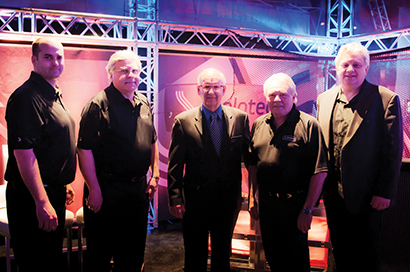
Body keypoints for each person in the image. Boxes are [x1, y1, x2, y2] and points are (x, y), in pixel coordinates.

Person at [316, 42, 403, 272]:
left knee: (366, 256)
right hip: (334, 198)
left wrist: (384, 192)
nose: (350, 70)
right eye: (345, 64)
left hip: (368, 198)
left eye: (356, 64)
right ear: (336, 68)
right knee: (341, 253)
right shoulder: (323, 100)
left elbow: (392, 152)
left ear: (367, 67)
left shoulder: (386, 99)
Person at [77, 50, 159, 272]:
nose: (131, 75)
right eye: (124, 71)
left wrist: (155, 174)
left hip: (138, 191)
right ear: (110, 74)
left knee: (132, 254)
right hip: (106, 190)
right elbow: (84, 150)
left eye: (135, 70)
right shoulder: (97, 105)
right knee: (100, 256)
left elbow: (152, 140)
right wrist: (94, 189)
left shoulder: (143, 102)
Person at [4, 37, 77, 272]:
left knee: (49, 262)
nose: (55, 62)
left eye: (59, 57)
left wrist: (62, 183)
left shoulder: (51, 93)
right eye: (48, 57)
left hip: (49, 190)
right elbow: (24, 154)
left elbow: (50, 144)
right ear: (34, 59)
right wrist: (42, 201)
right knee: (36, 264)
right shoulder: (27, 97)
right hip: (31, 197)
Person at [167, 68, 250, 272]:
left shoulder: (240, 118)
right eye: (207, 87)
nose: (211, 91)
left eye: (216, 87)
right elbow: (175, 164)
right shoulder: (183, 121)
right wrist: (175, 198)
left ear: (224, 89)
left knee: (223, 252)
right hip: (195, 201)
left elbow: (249, 158)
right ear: (198, 90)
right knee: (195, 254)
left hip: (227, 201)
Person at [248, 73, 328, 271]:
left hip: (295, 208)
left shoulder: (309, 125)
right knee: (273, 259)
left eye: (283, 95)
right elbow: (253, 166)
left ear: (294, 97)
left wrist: (307, 210)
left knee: (296, 263)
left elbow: (320, 171)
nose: (277, 99)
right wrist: (252, 198)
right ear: (266, 98)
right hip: (267, 207)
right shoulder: (258, 124)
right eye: (272, 95)